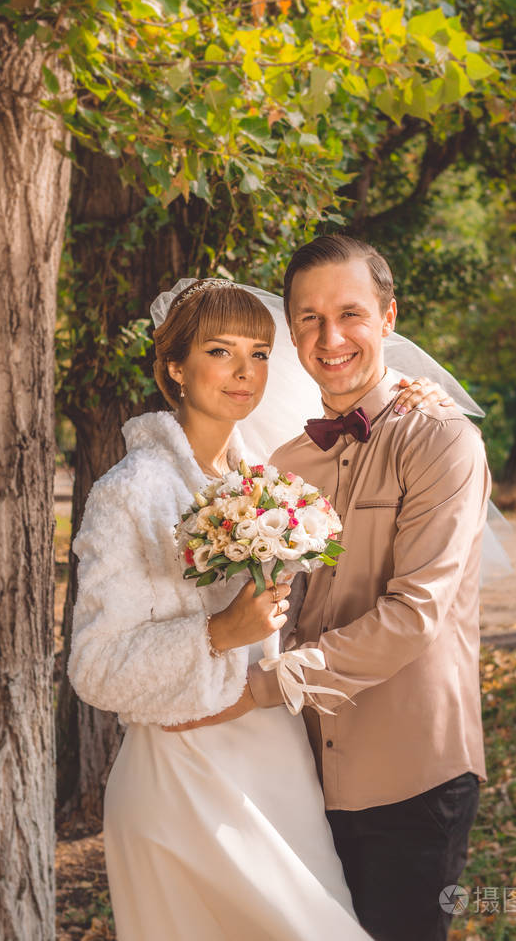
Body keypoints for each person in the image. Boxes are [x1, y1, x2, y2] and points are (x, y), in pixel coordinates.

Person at [68, 278, 449, 941]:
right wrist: (217, 632)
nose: (246, 373)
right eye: (220, 351)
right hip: (182, 775)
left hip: (279, 765)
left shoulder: (272, 478)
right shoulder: (128, 494)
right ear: (176, 368)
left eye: (260, 352)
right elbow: (93, 669)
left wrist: (412, 402)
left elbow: (372, 450)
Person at [200, 235, 491, 941]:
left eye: (351, 313)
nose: (330, 337)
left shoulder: (442, 441)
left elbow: (414, 614)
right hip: (299, 770)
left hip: (410, 773)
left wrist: (262, 687)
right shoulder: (288, 459)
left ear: (388, 317)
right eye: (308, 318)